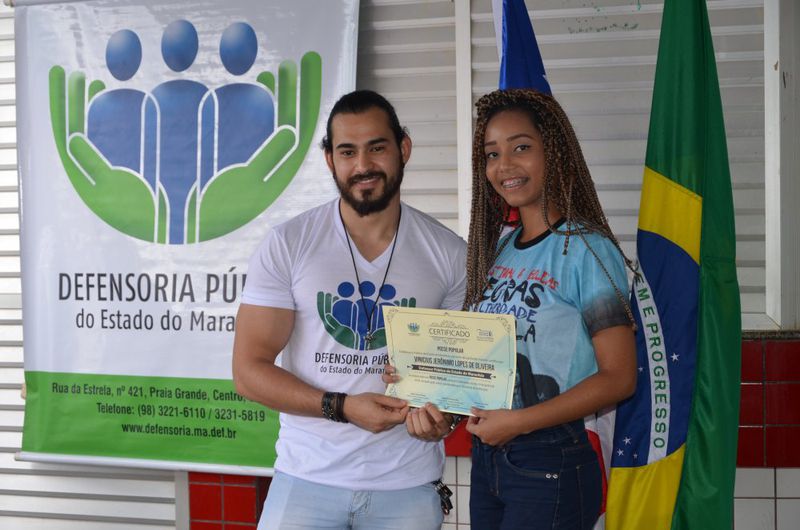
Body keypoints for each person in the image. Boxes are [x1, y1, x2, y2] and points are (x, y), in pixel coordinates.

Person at [385, 88, 637, 528]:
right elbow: (480, 365)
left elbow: (619, 378)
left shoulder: (587, 251)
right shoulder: (497, 250)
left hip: (550, 457)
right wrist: (422, 381)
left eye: (521, 148)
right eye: (492, 154)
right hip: (491, 460)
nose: (504, 166)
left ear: (553, 151)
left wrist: (520, 422)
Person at [233, 89, 466, 530]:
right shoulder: (290, 244)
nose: (363, 166)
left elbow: (454, 378)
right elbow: (248, 371)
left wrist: (443, 418)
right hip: (305, 481)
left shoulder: (449, 254)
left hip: (407, 486)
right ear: (329, 160)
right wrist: (341, 406)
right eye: (347, 151)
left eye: (377, 147)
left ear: (404, 149)